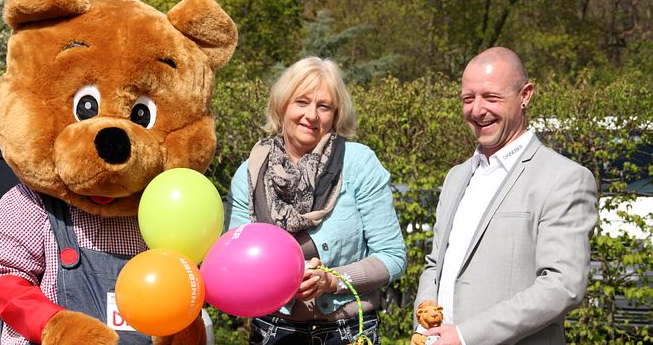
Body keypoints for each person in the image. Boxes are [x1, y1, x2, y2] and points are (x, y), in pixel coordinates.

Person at [413, 47, 598, 345]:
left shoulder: (565, 179)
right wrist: (424, 319)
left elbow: (564, 285)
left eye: (491, 97)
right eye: (468, 98)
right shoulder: (456, 177)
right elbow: (435, 264)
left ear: (525, 95)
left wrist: (464, 337)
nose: (477, 109)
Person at [225, 56, 406, 345]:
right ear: (282, 105)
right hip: (273, 331)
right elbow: (234, 263)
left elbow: (393, 257)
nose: (311, 115)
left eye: (324, 107)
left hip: (347, 332)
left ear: (335, 115)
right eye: (301, 102)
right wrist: (277, 282)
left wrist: (333, 281)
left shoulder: (359, 163)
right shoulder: (250, 172)